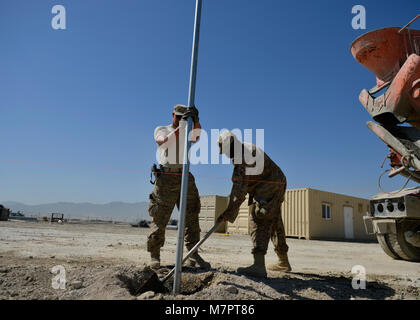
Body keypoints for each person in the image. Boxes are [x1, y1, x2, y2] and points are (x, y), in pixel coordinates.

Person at [216, 130, 291, 277]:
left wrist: (228, 213)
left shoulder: (242, 159)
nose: (223, 154)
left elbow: (238, 192)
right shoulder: (244, 148)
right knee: (274, 219)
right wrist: (230, 212)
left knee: (259, 217)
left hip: (269, 186)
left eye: (224, 151)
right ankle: (283, 262)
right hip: (277, 182)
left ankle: (258, 265)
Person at [147, 104, 211, 270]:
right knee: (160, 217)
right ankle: (155, 254)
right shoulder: (163, 129)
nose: (180, 120)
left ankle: (193, 253)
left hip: (184, 176)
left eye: (183, 118)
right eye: (177, 117)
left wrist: (196, 121)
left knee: (191, 217)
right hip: (166, 178)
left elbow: (196, 136)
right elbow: (163, 143)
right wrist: (182, 127)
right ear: (172, 115)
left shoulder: (188, 131)